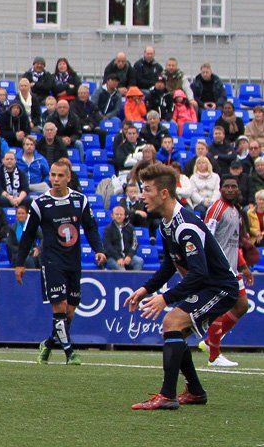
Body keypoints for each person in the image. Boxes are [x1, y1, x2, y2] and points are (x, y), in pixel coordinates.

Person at [125, 163, 238, 410]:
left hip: (220, 288)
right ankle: (195, 392)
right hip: (206, 286)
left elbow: (199, 272)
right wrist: (145, 289)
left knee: (172, 323)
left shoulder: (185, 226)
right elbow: (169, 266)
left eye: (147, 189)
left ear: (164, 193)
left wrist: (165, 298)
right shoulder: (168, 223)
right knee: (175, 331)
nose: (143, 195)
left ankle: (167, 396)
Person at [14, 160, 106, 366]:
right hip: (51, 261)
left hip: (73, 260)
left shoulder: (79, 200)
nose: (55, 179)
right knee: (60, 307)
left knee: (70, 312)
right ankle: (70, 353)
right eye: (53, 175)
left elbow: (90, 227)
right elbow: (28, 234)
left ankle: (48, 344)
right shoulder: (40, 203)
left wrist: (99, 250)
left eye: (60, 176)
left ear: (68, 177)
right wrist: (20, 263)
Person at [199, 176, 254, 367]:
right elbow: (205, 236)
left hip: (232, 269)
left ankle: (210, 342)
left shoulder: (235, 211)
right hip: (218, 269)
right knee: (219, 308)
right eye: (227, 186)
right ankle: (214, 356)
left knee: (242, 305)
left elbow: (234, 243)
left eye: (234, 187)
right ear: (221, 189)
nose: (231, 189)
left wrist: (244, 266)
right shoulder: (217, 209)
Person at [103, 206, 143, 271]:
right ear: (112, 215)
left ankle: (135, 281)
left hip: (127, 256)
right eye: (117, 214)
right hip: (113, 257)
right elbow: (107, 246)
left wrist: (129, 256)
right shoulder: (108, 229)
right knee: (122, 269)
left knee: (139, 261)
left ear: (124, 216)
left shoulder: (131, 228)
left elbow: (135, 244)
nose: (119, 216)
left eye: (121, 214)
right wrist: (118, 258)